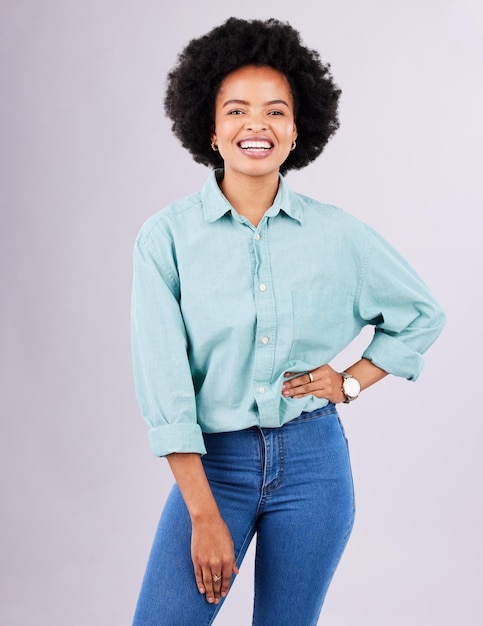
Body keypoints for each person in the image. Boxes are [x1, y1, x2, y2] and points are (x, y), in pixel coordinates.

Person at [131, 17, 445, 626]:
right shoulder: (164, 240)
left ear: (298, 129)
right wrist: (202, 514)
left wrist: (350, 380)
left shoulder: (339, 235)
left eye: (276, 111)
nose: (257, 126)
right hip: (212, 466)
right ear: (211, 128)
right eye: (237, 110)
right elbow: (167, 391)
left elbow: (422, 315)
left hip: (314, 465)